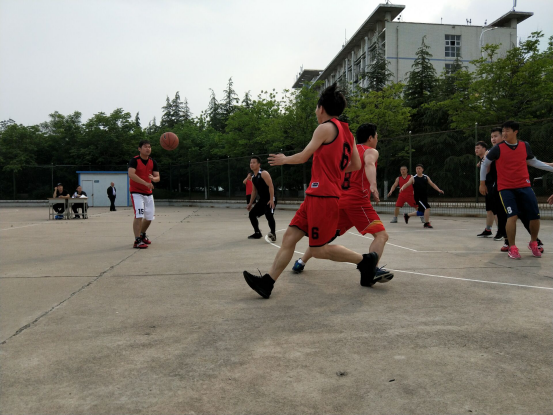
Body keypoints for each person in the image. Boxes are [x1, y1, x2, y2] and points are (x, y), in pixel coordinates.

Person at [243, 84, 382, 299]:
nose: (316, 112)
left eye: (316, 108)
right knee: (289, 237)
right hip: (316, 195)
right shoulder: (348, 133)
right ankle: (267, 283)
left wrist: (284, 159)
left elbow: (304, 156)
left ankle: (365, 261)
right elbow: (356, 165)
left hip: (323, 197)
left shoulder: (325, 128)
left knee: (318, 250)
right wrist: (334, 170)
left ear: (321, 108)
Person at [291, 123, 393, 282]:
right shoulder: (370, 151)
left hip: (339, 201)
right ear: (370, 137)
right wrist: (373, 184)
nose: (377, 140)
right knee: (381, 235)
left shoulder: (348, 151)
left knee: (324, 239)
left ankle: (301, 262)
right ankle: (370, 271)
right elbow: (369, 163)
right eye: (377, 136)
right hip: (357, 201)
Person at [479, 120, 553, 259]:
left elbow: (532, 161)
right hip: (506, 188)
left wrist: (551, 168)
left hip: (524, 186)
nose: (504, 133)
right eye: (503, 131)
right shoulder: (498, 148)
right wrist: (482, 183)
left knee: (535, 216)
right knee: (512, 216)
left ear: (515, 132)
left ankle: (533, 243)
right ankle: (512, 247)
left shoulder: (524, 145)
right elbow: (485, 164)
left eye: (507, 131)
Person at [488, 127, 544, 253]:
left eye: (496, 136)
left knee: (525, 215)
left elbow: (531, 162)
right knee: (504, 216)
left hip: (517, 186)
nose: (493, 139)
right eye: (491, 137)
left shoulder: (514, 148)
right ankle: (508, 241)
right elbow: (485, 167)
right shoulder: (492, 152)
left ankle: (535, 241)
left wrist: (549, 166)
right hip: (500, 188)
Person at [128, 140, 160, 249]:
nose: (148, 149)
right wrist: (146, 183)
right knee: (139, 215)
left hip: (148, 193)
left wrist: (153, 179)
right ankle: (137, 240)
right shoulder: (134, 160)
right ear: (139, 149)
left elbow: (158, 177)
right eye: (145, 147)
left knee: (149, 217)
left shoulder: (152, 161)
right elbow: (131, 174)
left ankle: (142, 234)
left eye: (149, 147)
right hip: (136, 192)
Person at [246, 157, 277, 241]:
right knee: (252, 214)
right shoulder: (253, 177)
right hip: (262, 200)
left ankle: (273, 233)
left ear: (259, 164)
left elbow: (271, 186)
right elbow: (254, 191)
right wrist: (250, 203)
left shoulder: (264, 173)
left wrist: (271, 199)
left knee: (268, 214)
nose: (251, 164)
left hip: (270, 198)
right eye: (251, 162)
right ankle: (257, 233)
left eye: (254, 162)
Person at [474, 140, 496, 237]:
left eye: (478, 148)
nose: (476, 150)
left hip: (493, 184)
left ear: (484, 149)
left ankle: (501, 232)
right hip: (488, 185)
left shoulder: (488, 157)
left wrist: (482, 164)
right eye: (475, 148)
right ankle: (488, 229)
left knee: (495, 209)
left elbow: (487, 170)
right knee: (489, 209)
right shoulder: (483, 159)